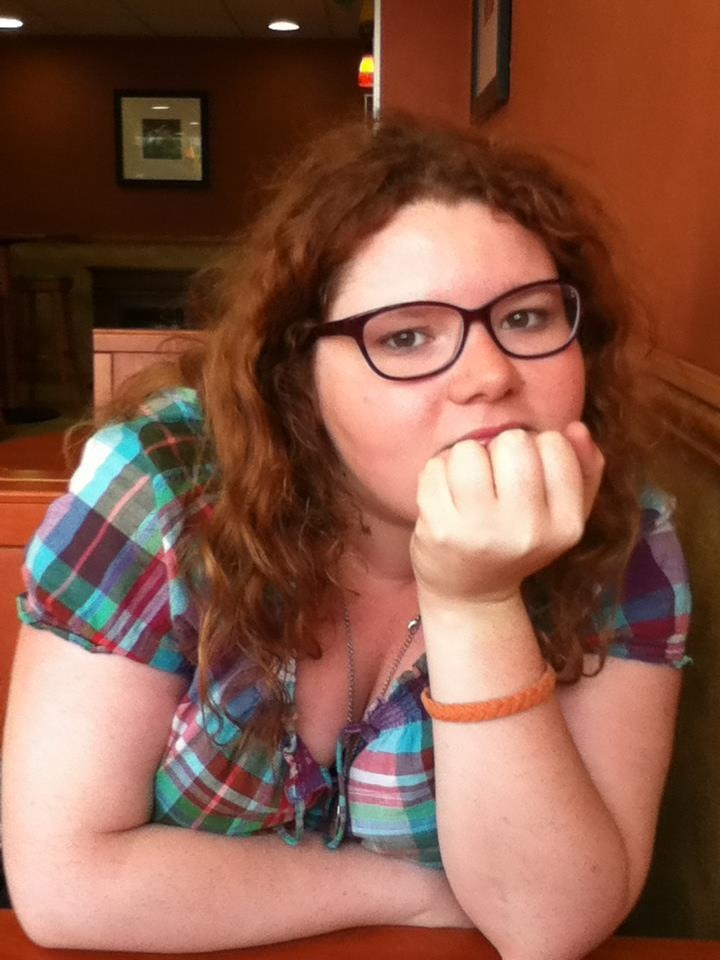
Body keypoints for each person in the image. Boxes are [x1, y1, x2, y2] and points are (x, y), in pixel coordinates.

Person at [1, 116, 690, 960]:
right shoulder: (161, 482)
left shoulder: (623, 530)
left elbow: (548, 925)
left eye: (528, 317)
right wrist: (418, 894)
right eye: (406, 335)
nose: (490, 376)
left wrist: (476, 602)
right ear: (297, 375)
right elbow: (64, 885)